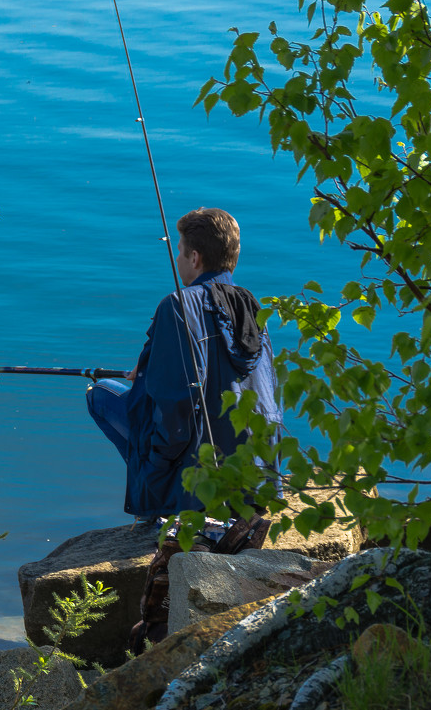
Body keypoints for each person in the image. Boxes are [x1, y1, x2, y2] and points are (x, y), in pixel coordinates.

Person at [85, 208, 283, 649]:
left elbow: (174, 407)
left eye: (180, 252)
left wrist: (155, 474)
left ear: (194, 257)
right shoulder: (253, 309)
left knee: (100, 394)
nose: (178, 259)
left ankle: (159, 509)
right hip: (255, 467)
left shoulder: (177, 304)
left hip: (199, 468)